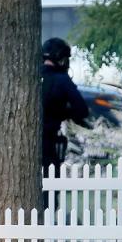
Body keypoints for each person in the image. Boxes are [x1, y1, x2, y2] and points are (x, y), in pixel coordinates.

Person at [40, 38, 90, 172]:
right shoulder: (62, 79)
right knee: (51, 182)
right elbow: (82, 110)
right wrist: (63, 112)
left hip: (27, 141)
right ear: (60, 58)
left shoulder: (32, 74)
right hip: (50, 141)